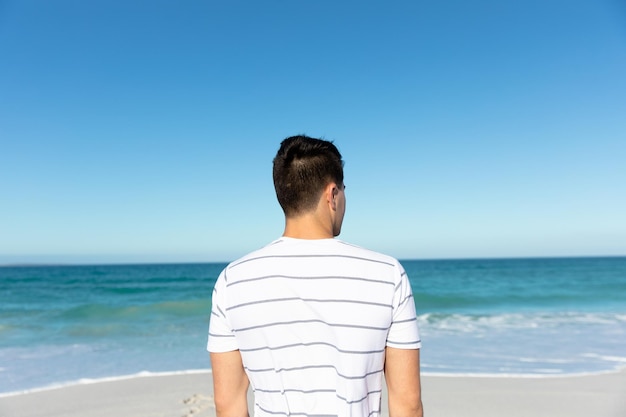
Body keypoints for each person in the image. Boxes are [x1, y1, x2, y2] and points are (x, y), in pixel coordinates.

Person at [207, 135, 423, 417]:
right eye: (344, 190)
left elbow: (228, 404)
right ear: (332, 194)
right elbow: (407, 404)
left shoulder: (232, 280)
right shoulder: (387, 274)